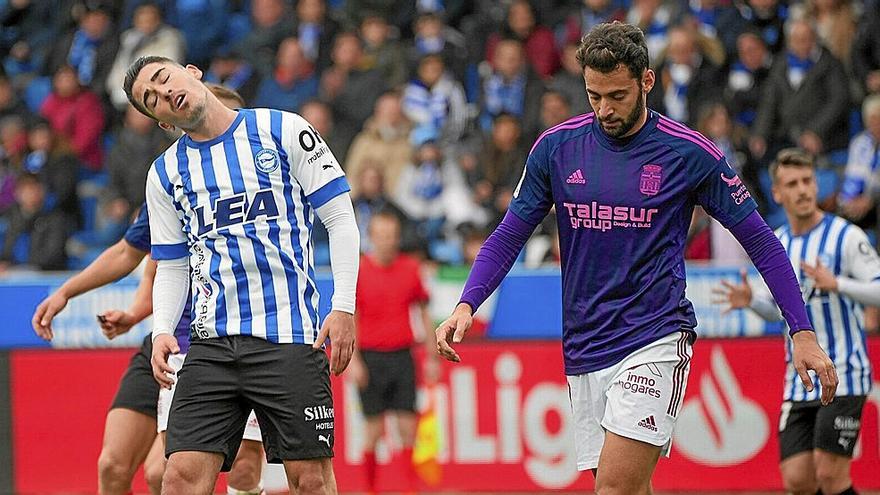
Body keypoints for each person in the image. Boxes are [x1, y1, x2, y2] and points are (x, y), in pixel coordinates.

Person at [434, 22, 837, 495]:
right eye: (593, 96)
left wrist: (802, 331)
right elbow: (509, 234)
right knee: (625, 486)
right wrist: (466, 303)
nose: (604, 109)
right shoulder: (556, 149)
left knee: (615, 489)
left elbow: (763, 242)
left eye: (617, 96)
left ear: (647, 81)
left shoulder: (690, 154)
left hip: (655, 336)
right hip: (585, 342)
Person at [124, 55, 358, 494]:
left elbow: (340, 217)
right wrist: (160, 330)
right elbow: (171, 263)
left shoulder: (284, 129)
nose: (163, 94)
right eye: (150, 100)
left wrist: (343, 305)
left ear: (192, 73)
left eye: (162, 79)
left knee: (309, 479)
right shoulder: (165, 174)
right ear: (159, 121)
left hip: (288, 337)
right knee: (177, 476)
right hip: (211, 345)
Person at [30, 85, 271, 495]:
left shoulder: (262, 193)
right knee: (120, 465)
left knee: (232, 468)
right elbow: (134, 257)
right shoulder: (171, 190)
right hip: (169, 346)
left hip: (238, 342)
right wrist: (69, 292)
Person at [713, 149, 878, 495]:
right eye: (792, 184)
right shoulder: (778, 244)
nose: (802, 190)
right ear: (777, 193)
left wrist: (838, 284)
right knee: (797, 479)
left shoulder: (846, 237)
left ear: (816, 185)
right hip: (799, 381)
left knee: (831, 476)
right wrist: (752, 303)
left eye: (807, 181)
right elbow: (780, 312)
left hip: (844, 373)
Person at [348, 211, 439, 494]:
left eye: (391, 236)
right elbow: (352, 317)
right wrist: (354, 360)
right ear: (371, 237)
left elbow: (424, 315)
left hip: (402, 356)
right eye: (381, 235)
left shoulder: (410, 269)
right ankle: (370, 489)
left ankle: (410, 488)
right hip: (371, 357)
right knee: (373, 431)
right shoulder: (359, 271)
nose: (387, 241)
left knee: (408, 428)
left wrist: (432, 357)